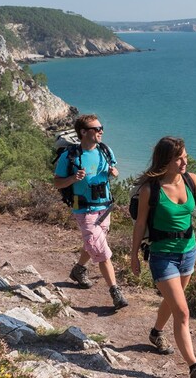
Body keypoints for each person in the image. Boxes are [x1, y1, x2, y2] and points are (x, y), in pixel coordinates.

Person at [131, 136, 196, 378]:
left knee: (173, 303)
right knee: (182, 312)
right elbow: (139, 225)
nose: (184, 162)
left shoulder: (191, 180)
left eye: (185, 157)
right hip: (162, 256)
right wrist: (133, 256)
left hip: (188, 252)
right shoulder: (151, 190)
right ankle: (195, 367)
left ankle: (156, 333)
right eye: (178, 158)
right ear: (165, 160)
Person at [54, 114, 128, 310]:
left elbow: (113, 170)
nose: (101, 131)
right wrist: (72, 179)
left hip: (105, 207)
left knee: (94, 242)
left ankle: (79, 269)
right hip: (84, 209)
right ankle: (115, 291)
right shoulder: (69, 156)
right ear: (84, 132)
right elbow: (57, 182)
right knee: (102, 251)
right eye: (97, 128)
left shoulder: (105, 150)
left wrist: (114, 173)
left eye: (101, 127)